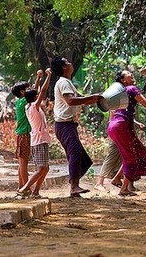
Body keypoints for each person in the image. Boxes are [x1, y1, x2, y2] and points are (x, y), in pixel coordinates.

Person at [51, 56, 103, 197]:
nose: (70, 63)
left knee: (82, 158)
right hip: (64, 125)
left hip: (67, 125)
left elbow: (81, 98)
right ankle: (74, 187)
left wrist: (96, 98)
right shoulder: (64, 83)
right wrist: (93, 98)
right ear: (63, 68)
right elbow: (71, 101)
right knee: (75, 153)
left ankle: (75, 186)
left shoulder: (68, 83)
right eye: (67, 62)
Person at [108, 70, 146, 196]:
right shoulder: (131, 89)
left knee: (137, 152)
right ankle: (124, 189)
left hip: (115, 126)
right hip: (121, 126)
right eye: (128, 74)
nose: (131, 75)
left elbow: (115, 112)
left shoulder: (119, 92)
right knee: (132, 157)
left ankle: (117, 179)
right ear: (123, 80)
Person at [17, 68, 53, 198]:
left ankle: (36, 191)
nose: (39, 97)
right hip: (39, 140)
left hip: (40, 139)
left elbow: (36, 90)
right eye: (37, 96)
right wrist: (48, 76)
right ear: (34, 98)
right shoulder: (33, 106)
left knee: (45, 168)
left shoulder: (29, 105)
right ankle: (25, 188)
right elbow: (42, 91)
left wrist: (38, 78)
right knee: (42, 168)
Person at [11, 70, 43, 189]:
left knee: (21, 162)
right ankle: (25, 187)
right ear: (22, 92)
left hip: (21, 134)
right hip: (25, 134)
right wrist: (39, 78)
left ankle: (21, 186)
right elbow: (35, 90)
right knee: (23, 162)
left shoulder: (20, 103)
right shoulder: (24, 101)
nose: (29, 91)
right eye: (26, 89)